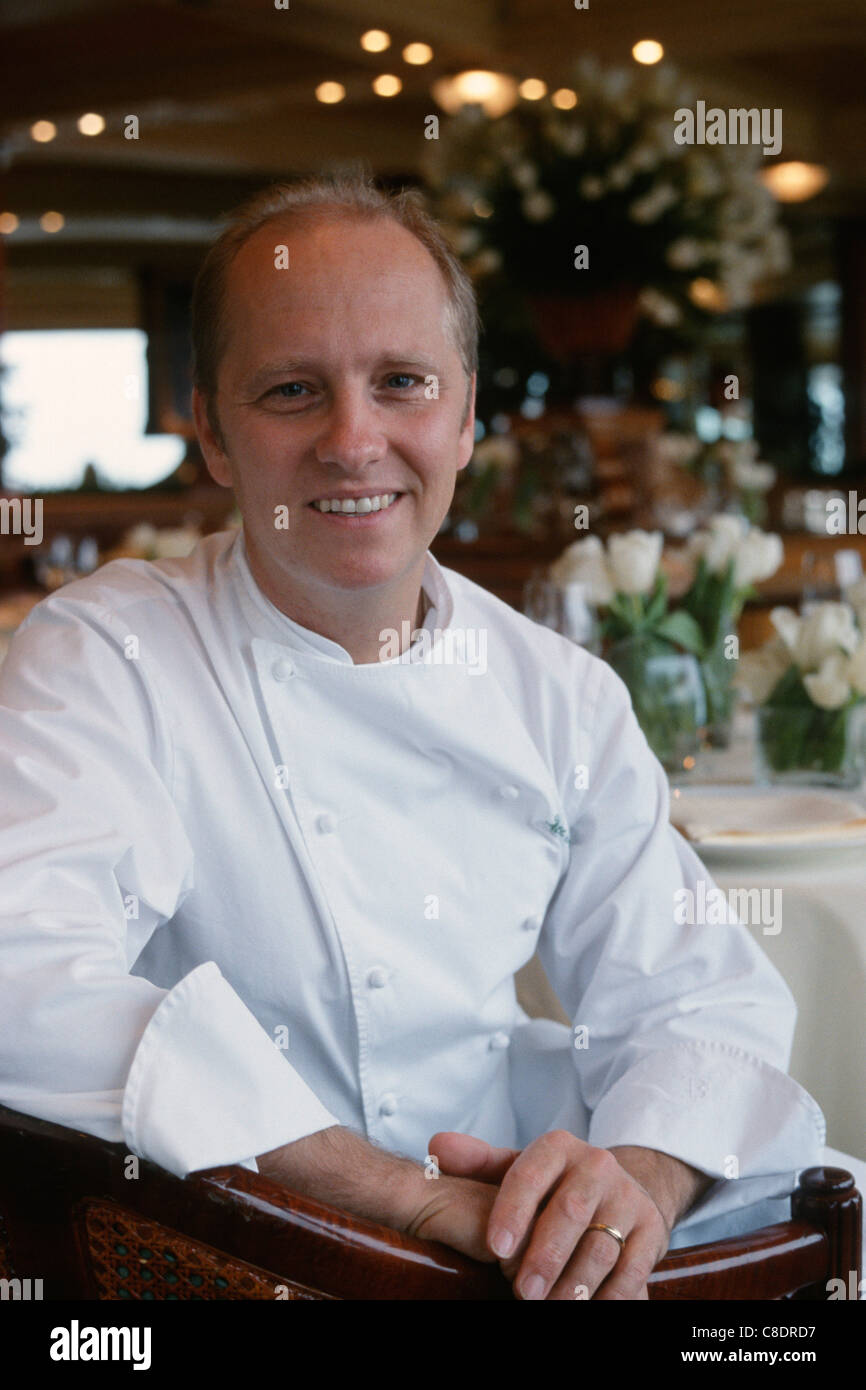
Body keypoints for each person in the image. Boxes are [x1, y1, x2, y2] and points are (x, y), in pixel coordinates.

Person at [0, 171, 824, 1301]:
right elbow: (22, 971)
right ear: (212, 431)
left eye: (401, 382)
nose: (354, 440)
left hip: (511, 1246)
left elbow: (697, 996)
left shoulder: (558, 694)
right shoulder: (111, 654)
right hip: (213, 1262)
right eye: (291, 390)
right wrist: (403, 1200)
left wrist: (618, 1190)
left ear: (465, 415)